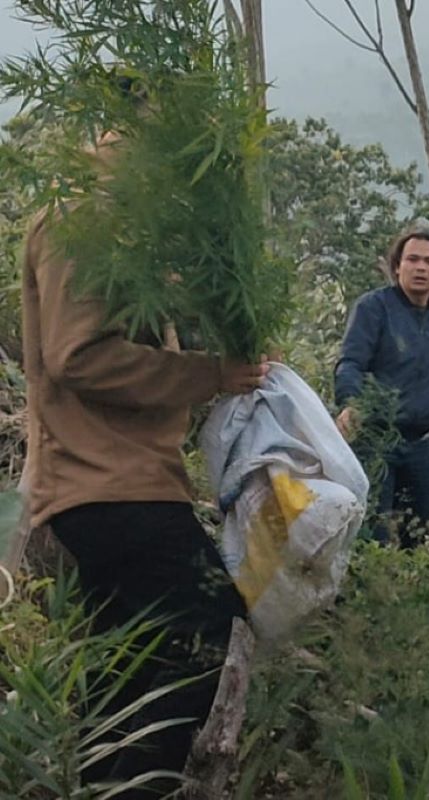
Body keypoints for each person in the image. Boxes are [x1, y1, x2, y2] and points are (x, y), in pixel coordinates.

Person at [22, 137, 268, 794]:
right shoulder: (83, 215)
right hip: (105, 483)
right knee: (209, 621)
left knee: (124, 665)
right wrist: (207, 374)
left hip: (122, 481)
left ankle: (107, 787)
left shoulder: (127, 225)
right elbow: (77, 356)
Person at [334, 228, 429, 546]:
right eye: (413, 259)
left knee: (418, 535)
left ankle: (415, 590)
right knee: (371, 535)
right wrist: (350, 402)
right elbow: (349, 363)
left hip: (420, 445)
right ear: (397, 266)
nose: (421, 267)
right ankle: (368, 592)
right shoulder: (374, 309)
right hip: (377, 441)